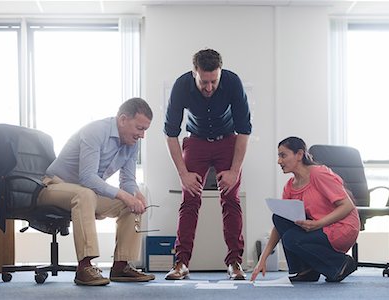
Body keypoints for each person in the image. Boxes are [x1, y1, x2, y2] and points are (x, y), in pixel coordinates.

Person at [38, 97, 156, 286]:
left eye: (145, 130)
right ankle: (84, 267)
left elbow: (127, 180)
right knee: (86, 194)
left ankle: (121, 266)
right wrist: (124, 194)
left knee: (131, 203)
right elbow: (87, 178)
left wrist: (135, 194)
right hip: (54, 186)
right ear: (123, 119)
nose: (142, 135)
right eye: (139, 128)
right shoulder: (95, 131)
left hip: (86, 192)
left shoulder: (132, 144)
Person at [163, 49, 252, 280]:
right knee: (190, 200)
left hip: (228, 142)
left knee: (231, 200)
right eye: (204, 81)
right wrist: (183, 173)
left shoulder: (232, 82)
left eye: (214, 81)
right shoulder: (181, 85)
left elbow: (244, 131)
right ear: (195, 73)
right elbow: (170, 134)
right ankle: (181, 262)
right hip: (196, 143)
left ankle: (235, 262)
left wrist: (234, 171)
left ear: (220, 73)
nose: (209, 87)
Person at [251, 136, 360, 283]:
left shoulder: (318, 174)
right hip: (320, 227)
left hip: (342, 227)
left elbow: (347, 206)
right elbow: (279, 225)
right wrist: (262, 259)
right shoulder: (290, 186)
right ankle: (305, 271)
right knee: (279, 218)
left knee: (291, 238)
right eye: (278, 156)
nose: (279, 161)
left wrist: (318, 223)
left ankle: (340, 264)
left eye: (283, 155)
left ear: (299, 155)